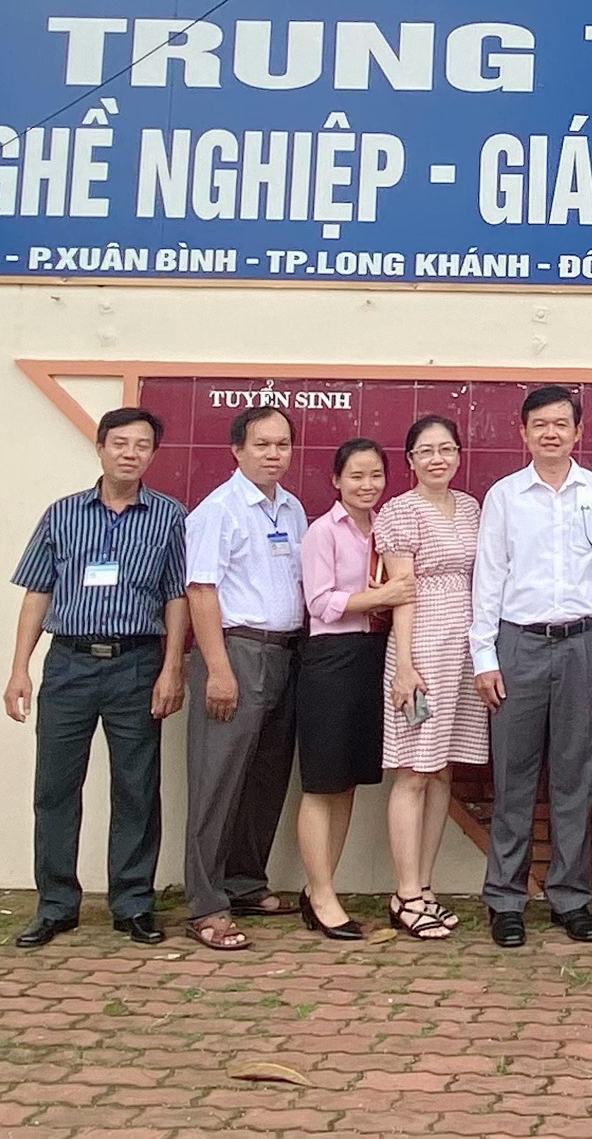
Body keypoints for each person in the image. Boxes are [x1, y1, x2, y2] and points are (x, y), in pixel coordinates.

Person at [3, 405, 189, 948]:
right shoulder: (61, 515)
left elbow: (177, 597)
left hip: (137, 663)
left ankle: (132, 903)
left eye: (142, 445)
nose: (131, 454)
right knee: (55, 787)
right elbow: (37, 592)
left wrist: (172, 667)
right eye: (120, 443)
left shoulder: (170, 518)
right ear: (101, 447)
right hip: (69, 663)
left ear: (153, 454)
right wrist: (19, 669)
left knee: (137, 787)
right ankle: (56, 905)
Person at [472, 384, 592, 948]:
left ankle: (570, 897)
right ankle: (505, 900)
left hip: (584, 646)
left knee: (574, 779)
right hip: (518, 646)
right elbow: (488, 578)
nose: (550, 433)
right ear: (523, 432)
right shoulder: (505, 497)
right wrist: (485, 657)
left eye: (561, 423)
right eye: (539, 424)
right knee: (512, 780)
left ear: (577, 431)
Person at [178, 404, 309, 951]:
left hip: (285, 654)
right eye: (262, 444)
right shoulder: (219, 510)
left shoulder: (292, 509)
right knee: (217, 781)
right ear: (237, 450)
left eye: (282, 444)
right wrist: (218, 669)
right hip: (236, 652)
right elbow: (201, 590)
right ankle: (206, 905)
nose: (273, 454)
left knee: (264, 778)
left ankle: (245, 883)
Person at [295, 438, 415, 941]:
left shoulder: (386, 529)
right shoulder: (322, 531)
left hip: (373, 656)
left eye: (376, 476)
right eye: (356, 476)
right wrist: (382, 596)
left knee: (345, 782)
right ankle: (321, 896)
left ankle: (320, 888)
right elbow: (320, 602)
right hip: (331, 659)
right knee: (322, 782)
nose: (367, 485)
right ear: (337, 480)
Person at [377, 414, 484, 940]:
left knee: (442, 770)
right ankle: (404, 893)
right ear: (410, 460)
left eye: (446, 449)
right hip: (420, 649)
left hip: (463, 651)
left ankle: (423, 886)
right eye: (426, 451)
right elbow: (401, 591)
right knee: (413, 771)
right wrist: (404, 666)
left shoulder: (471, 507)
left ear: (459, 455)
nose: (437, 459)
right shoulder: (399, 511)